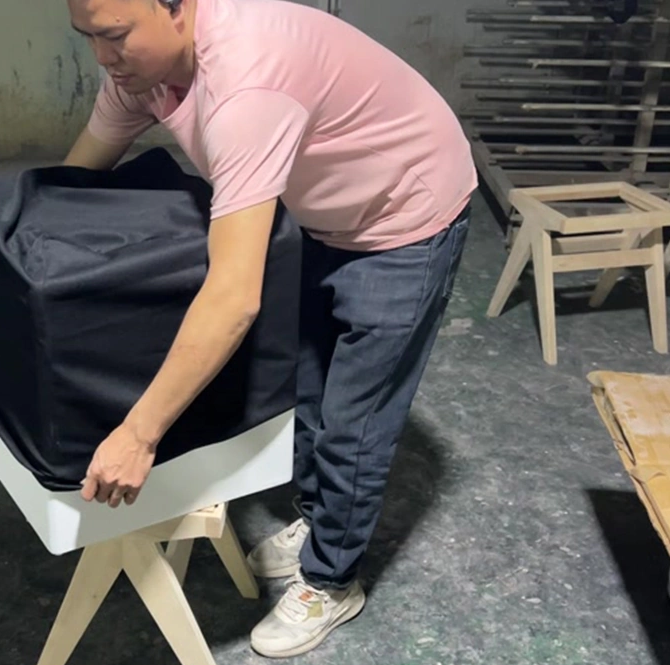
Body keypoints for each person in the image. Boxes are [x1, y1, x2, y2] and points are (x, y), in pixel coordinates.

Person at [64, 0, 476, 657]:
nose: (102, 57)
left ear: (178, 9)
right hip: (326, 207)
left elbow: (233, 299)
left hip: (406, 212)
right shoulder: (140, 71)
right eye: (86, 37)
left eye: (114, 37)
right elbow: (75, 178)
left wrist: (139, 433)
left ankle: (332, 578)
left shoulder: (248, 85)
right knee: (308, 390)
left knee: (354, 420)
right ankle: (320, 518)